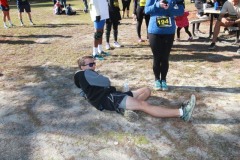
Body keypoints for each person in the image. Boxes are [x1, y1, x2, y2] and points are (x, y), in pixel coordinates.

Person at [74, 56, 196, 122]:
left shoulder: (84, 76)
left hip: (114, 96)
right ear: (82, 67)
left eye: (94, 63)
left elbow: (82, 89)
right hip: (110, 98)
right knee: (144, 104)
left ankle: (125, 109)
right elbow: (106, 81)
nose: (93, 66)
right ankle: (181, 113)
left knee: (146, 90)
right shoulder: (84, 73)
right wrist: (100, 78)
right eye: (90, 64)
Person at [145, 0, 184, 91]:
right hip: (154, 31)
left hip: (169, 32)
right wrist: (157, 5)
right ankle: (157, 79)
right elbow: (146, 10)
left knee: (165, 57)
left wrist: (170, 7)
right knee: (157, 57)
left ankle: (164, 80)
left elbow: (181, 12)